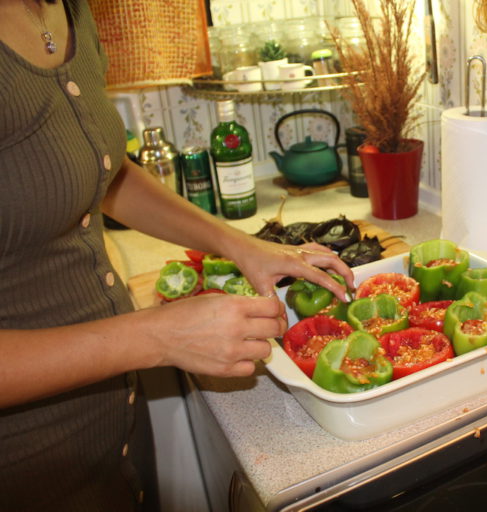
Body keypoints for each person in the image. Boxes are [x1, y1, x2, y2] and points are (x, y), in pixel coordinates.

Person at [0, 0, 354, 510]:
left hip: (112, 424)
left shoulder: (72, 12)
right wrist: (154, 337)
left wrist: (240, 244)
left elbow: (103, 173)